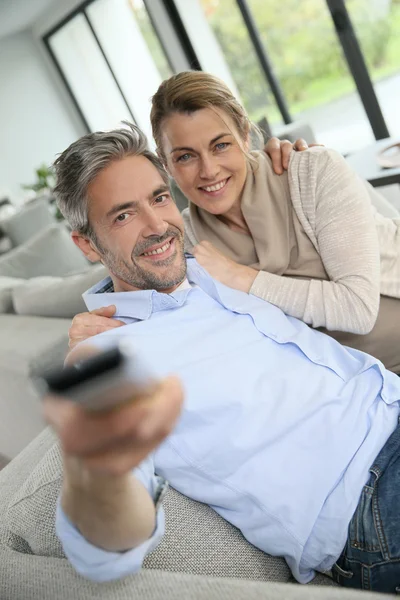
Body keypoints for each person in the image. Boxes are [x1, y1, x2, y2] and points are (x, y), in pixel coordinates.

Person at [47, 124, 400, 593]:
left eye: (158, 198)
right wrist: (97, 468)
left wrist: (280, 156)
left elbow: (232, 170)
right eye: (123, 215)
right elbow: (104, 548)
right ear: (87, 244)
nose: (156, 226)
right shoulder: (104, 355)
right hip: (366, 497)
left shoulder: (208, 266)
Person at [69, 71, 400, 372]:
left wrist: (243, 277)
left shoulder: (310, 171)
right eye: (185, 156)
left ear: (244, 134)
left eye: (221, 145)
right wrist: (91, 325)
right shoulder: (184, 239)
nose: (209, 171)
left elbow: (357, 310)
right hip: (353, 383)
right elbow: (140, 282)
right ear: (166, 163)